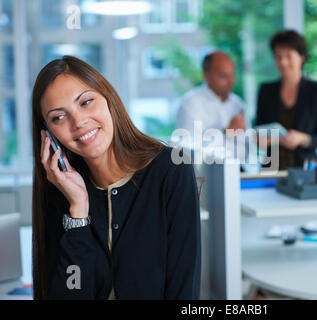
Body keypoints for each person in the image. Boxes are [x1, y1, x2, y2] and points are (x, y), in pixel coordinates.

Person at [31, 56, 201, 300]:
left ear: (108, 98)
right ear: (49, 136)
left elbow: (184, 287)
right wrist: (78, 210)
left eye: (86, 102)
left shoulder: (171, 169)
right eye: (59, 117)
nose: (78, 122)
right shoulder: (62, 188)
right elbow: (71, 294)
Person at [256, 30, 317, 187]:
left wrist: (303, 139)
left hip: (306, 172)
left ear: (302, 57)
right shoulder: (266, 91)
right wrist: (263, 140)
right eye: (278, 57)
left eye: (288, 56)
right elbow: (259, 130)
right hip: (272, 173)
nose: (283, 62)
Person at [176, 51, 246, 136]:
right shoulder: (190, 104)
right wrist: (226, 132)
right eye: (223, 76)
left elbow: (246, 142)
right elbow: (188, 144)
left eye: (232, 74)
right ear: (206, 76)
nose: (231, 81)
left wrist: (255, 139)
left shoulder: (237, 103)